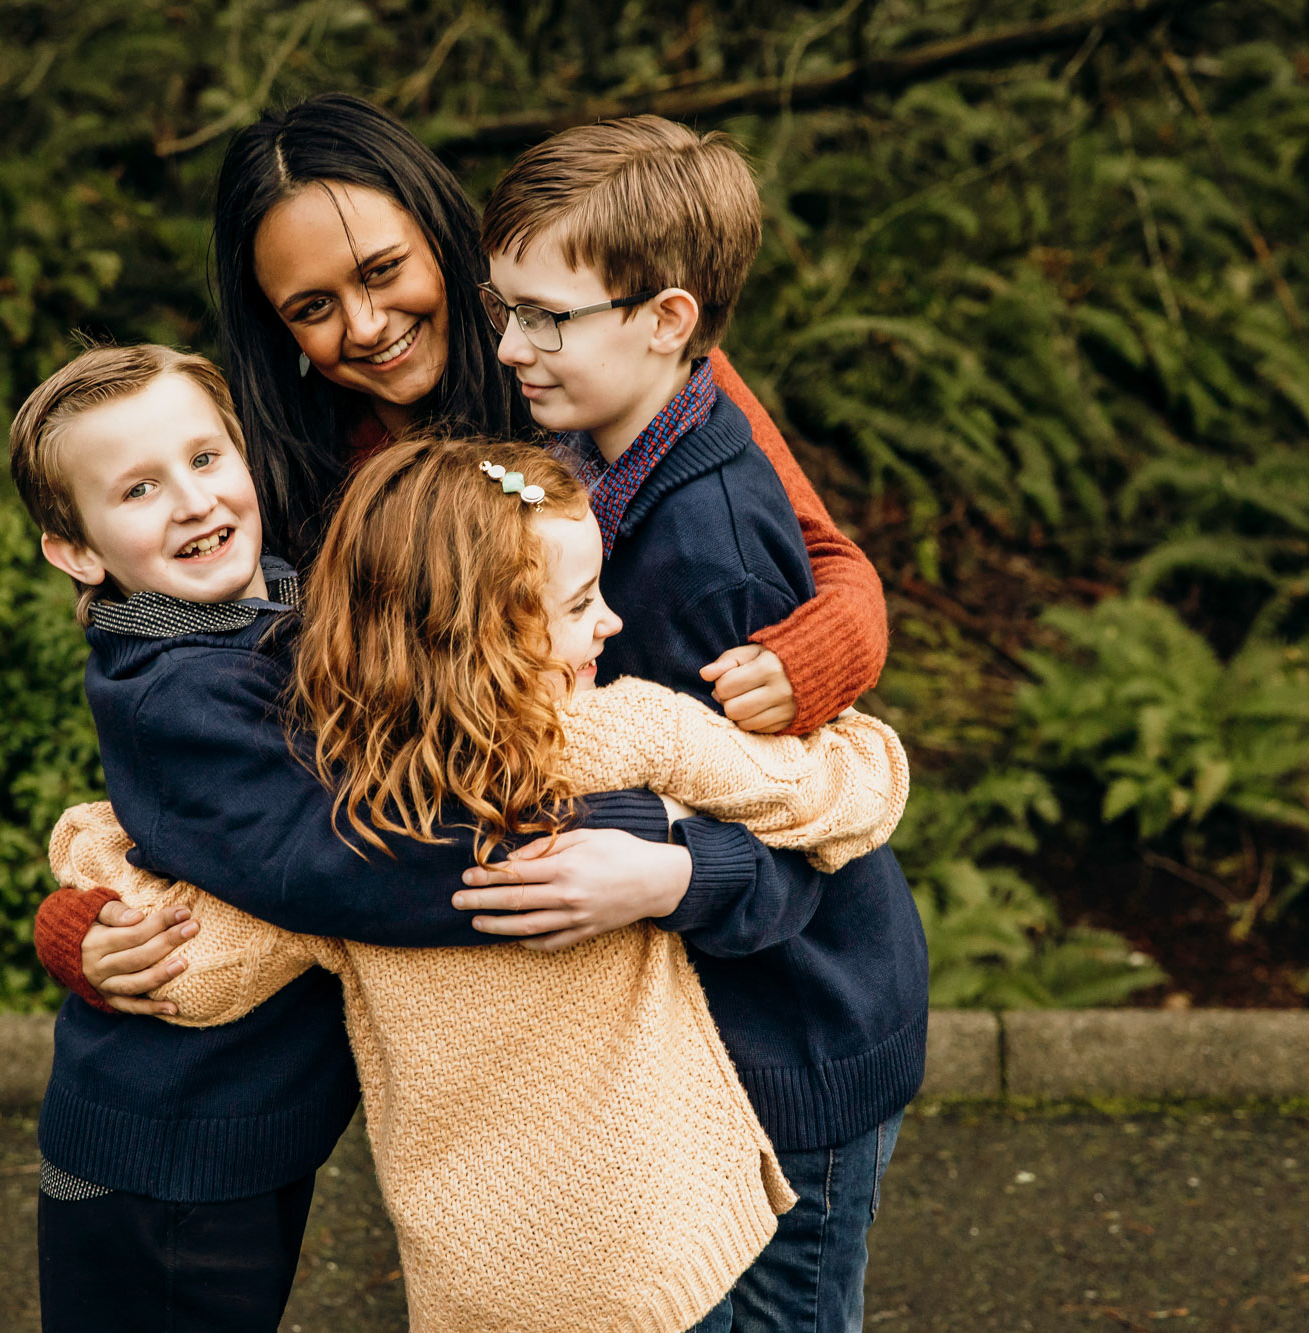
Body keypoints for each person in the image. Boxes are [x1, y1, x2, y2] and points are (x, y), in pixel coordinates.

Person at [48, 431, 911, 1330]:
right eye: (580, 606)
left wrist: (92, 880)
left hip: (490, 1277)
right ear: (489, 635)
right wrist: (688, 826)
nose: (612, 623)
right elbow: (864, 780)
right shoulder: (623, 735)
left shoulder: (342, 809)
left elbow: (196, 974)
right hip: (662, 1223)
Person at [12, 345, 721, 1330]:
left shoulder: (270, 606)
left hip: (243, 1120)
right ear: (76, 550)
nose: (191, 500)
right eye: (137, 488)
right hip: (168, 1136)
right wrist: (632, 829)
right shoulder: (174, 687)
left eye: (206, 458)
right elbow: (343, 861)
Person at [470, 114, 930, 1331]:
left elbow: (782, 824)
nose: (511, 345)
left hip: (795, 1040)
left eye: (546, 316)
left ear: (666, 319)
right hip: (727, 1035)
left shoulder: (707, 558)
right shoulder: (598, 424)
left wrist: (658, 875)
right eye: (501, 306)